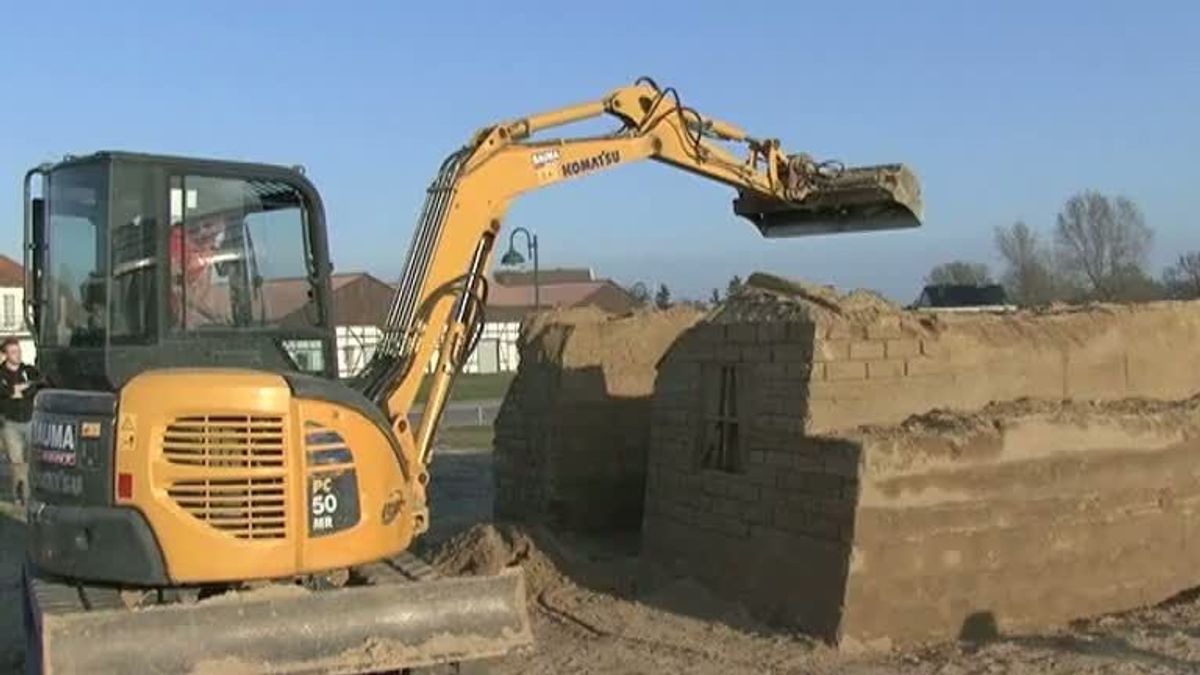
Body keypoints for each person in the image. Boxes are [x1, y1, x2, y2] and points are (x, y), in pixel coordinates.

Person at [0, 338, 41, 505]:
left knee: (33, 460)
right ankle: (22, 495)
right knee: (17, 462)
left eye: (19, 351)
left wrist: (21, 390)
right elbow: (3, 392)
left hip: (31, 420)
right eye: (13, 352)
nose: (18, 355)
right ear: (5, 355)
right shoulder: (1, 374)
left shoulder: (29, 370)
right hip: (10, 424)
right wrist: (16, 389)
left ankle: (30, 492)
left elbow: (39, 384)